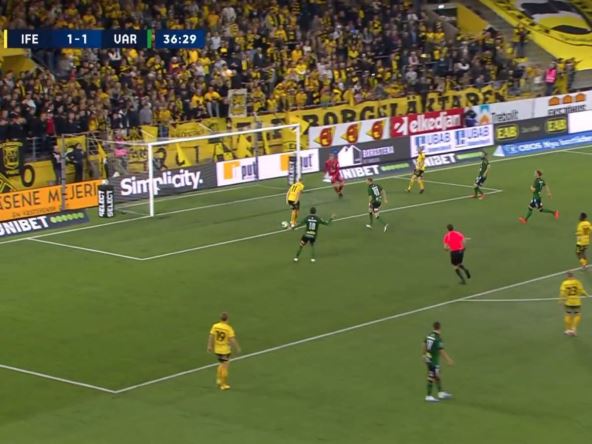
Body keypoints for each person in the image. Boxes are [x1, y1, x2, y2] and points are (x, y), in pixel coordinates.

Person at [207, 312, 241, 390]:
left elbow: (211, 336)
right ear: (227, 319)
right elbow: (232, 339)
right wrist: (237, 347)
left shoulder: (215, 326)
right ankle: (223, 384)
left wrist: (209, 346)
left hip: (217, 349)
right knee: (225, 366)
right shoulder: (228, 328)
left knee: (221, 364)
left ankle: (218, 380)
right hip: (225, 350)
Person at [423, 321, 454, 402]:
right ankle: (428, 396)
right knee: (431, 377)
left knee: (436, 375)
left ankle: (440, 393)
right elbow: (441, 351)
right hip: (433, 361)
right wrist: (448, 360)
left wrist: (423, 355)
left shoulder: (429, 335)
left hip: (428, 358)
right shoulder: (438, 338)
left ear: (433, 327)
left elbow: (424, 344)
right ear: (440, 328)